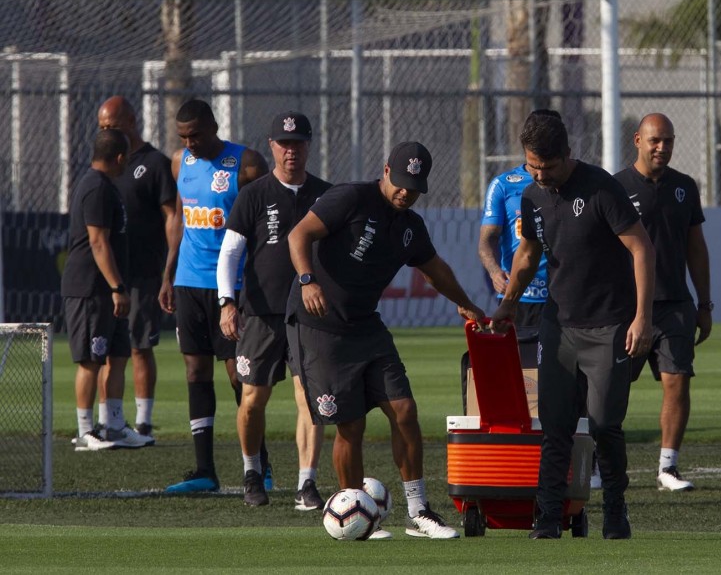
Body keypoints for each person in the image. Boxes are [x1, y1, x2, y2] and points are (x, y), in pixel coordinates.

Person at [287, 141, 485, 540]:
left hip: (366, 327)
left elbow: (434, 269)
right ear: (386, 171)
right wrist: (308, 281)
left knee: (405, 410)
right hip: (320, 326)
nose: (405, 192)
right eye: (400, 182)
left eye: (414, 186)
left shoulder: (410, 226)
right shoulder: (351, 197)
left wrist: (465, 303)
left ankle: (419, 511)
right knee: (351, 425)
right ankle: (357, 514)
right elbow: (299, 234)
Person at [491, 110, 655, 540]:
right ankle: (547, 518)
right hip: (557, 325)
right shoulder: (531, 196)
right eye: (532, 166)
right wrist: (507, 304)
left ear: (568, 153)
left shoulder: (602, 188)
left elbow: (641, 249)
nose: (540, 174)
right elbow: (527, 254)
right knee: (556, 425)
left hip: (609, 327)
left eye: (548, 166)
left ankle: (615, 510)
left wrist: (642, 317)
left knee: (603, 424)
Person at [216, 111, 331, 508]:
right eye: (284, 144)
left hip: (308, 315)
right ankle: (252, 472)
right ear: (271, 147)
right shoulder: (254, 194)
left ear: (309, 146)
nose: (291, 151)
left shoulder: (326, 195)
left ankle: (307, 483)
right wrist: (227, 302)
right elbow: (230, 252)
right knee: (252, 401)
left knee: (310, 401)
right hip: (261, 313)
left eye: (298, 143)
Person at [159, 99, 269, 493]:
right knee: (195, 371)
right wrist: (169, 273)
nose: (190, 143)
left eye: (197, 135)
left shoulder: (248, 164)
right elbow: (178, 218)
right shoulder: (178, 164)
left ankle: (262, 466)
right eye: (184, 137)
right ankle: (205, 470)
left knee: (240, 376)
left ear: (214, 126)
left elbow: (265, 224)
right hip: (189, 281)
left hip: (232, 285)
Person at [614, 113, 712, 492]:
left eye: (668, 141)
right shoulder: (615, 187)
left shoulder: (685, 187)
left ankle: (668, 467)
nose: (662, 147)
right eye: (655, 140)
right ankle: (597, 465)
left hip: (674, 305)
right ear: (638, 140)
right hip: (626, 308)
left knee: (677, 382)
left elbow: (696, 249)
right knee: (611, 389)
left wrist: (705, 303)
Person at [62, 129, 153, 451]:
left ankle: (113, 425)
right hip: (91, 289)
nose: (127, 162)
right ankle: (86, 431)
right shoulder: (96, 188)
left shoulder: (107, 187)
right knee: (90, 359)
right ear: (118, 158)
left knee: (116, 355)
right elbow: (98, 242)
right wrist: (116, 287)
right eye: (125, 157)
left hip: (111, 290)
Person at [98, 95, 177, 440]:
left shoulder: (154, 163)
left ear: (130, 122)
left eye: (111, 127)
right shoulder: (103, 164)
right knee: (103, 349)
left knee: (139, 346)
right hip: (110, 271)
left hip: (144, 270)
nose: (106, 132)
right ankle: (105, 421)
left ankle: (143, 421)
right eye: (102, 128)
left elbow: (172, 217)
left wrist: (167, 270)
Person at [479, 161, 548, 327]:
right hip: (517, 298)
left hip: (564, 298)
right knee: (519, 353)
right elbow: (487, 240)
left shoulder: (567, 182)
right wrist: (495, 272)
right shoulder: (503, 184)